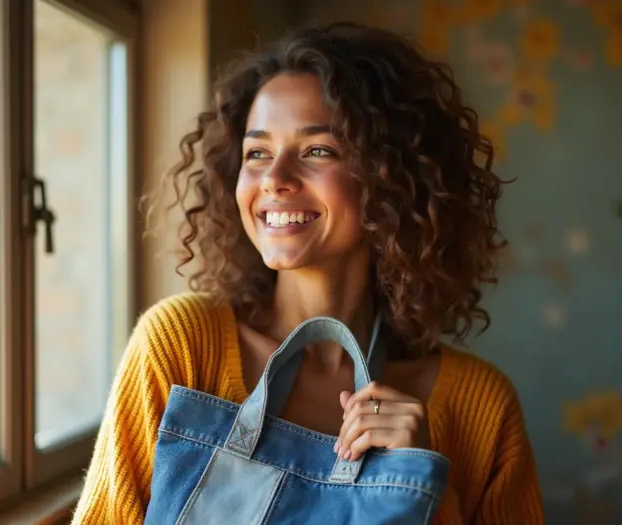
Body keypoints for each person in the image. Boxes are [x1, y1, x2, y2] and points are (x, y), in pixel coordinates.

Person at [72, 22, 544, 525]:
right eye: (258, 153)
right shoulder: (181, 347)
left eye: (318, 150)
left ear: (392, 178)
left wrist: (426, 489)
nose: (274, 180)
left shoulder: (482, 410)